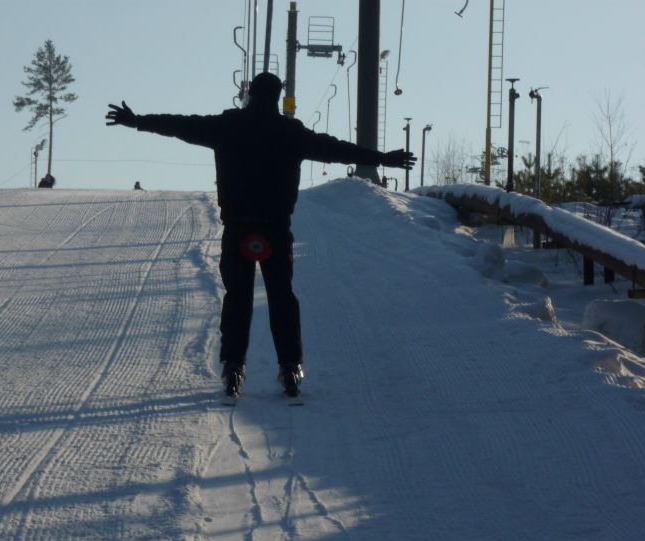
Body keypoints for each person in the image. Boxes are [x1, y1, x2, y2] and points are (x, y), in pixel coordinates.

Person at [106, 72, 415, 399]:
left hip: (238, 226)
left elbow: (182, 125)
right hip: (276, 228)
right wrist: (381, 158)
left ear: (249, 93)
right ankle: (290, 366)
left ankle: (233, 365)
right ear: (279, 97)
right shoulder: (290, 133)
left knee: (237, 297)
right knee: (281, 296)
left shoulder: (227, 126)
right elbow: (334, 149)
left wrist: (137, 120)